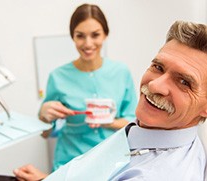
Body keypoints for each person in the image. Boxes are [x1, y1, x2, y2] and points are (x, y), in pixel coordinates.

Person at [14, 20, 207, 181]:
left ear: (105, 35)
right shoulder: (146, 128)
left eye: (184, 82)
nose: (155, 86)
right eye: (158, 66)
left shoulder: (157, 172)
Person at [37, 3, 137, 172]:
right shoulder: (57, 76)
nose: (88, 43)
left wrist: (109, 122)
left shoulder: (121, 72)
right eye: (80, 36)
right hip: (70, 164)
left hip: (113, 162)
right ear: (73, 37)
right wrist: (43, 117)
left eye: (95, 35)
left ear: (105, 34)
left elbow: (134, 124)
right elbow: (46, 133)